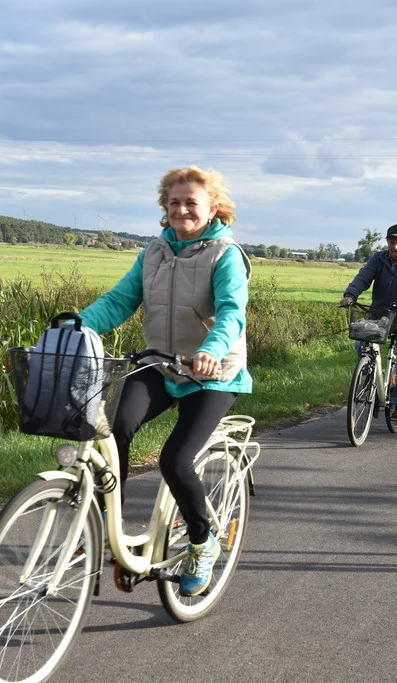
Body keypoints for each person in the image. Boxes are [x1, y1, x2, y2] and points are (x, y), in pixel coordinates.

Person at [80, 166, 251, 597]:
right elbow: (121, 299)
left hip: (212, 372)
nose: (181, 210)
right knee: (110, 426)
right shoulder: (154, 251)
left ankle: (202, 540)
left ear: (212, 207)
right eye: (174, 202)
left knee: (175, 460)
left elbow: (232, 312)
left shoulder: (225, 254)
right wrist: (77, 326)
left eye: (191, 202)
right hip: (160, 363)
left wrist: (211, 350)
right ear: (165, 207)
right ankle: (109, 526)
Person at [339, 223, 397, 422]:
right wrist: (350, 295)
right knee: (360, 345)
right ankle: (373, 381)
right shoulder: (378, 258)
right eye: (391, 242)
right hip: (380, 317)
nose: (395, 247)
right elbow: (362, 277)